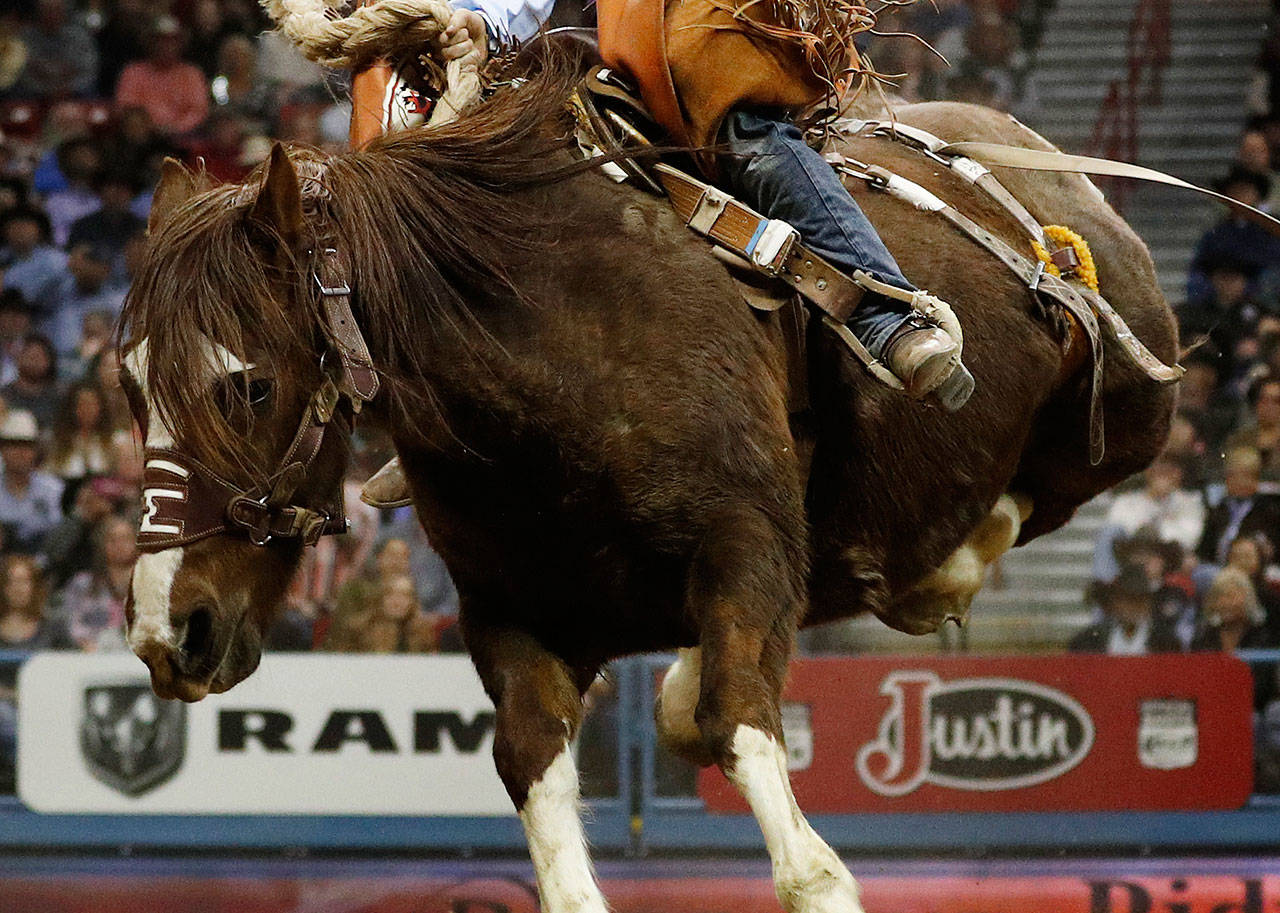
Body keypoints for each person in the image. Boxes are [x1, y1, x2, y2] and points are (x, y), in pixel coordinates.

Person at [361, 0, 975, 505]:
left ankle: (883, 311)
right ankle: (444, 406)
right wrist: (482, 22)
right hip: (586, 45)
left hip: (682, 24)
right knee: (447, 164)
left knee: (739, 124)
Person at [114, 16, 211, 137]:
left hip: (182, 138)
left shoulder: (192, 74)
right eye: (160, 40)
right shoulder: (133, 72)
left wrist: (176, 127)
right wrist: (151, 127)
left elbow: (199, 111)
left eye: (172, 41)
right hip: (142, 138)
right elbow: (126, 108)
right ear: (150, 42)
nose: (166, 46)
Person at [56, 514, 137, 651]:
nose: (119, 545)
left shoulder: (150, 585)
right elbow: (68, 620)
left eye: (125, 539)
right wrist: (84, 644)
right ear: (102, 544)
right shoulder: (82, 584)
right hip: (89, 654)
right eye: (112, 540)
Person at [1069, 562, 1183, 655]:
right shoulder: (1088, 640)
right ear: (1115, 603)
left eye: (1140, 601)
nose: (1133, 607)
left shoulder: (1167, 643)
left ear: (1148, 603)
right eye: (1128, 600)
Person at [0, 409, 63, 554]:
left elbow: (59, 533)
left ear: (35, 450)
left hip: (44, 561)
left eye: (26, 445)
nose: (20, 452)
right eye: (13, 445)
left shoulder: (53, 489)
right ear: (2, 449)